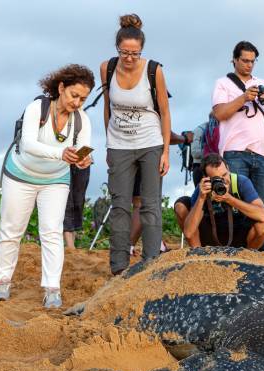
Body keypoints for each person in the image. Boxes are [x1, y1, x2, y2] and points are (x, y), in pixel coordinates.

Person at [0, 64, 94, 308]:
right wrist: (62, 153)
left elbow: (81, 151)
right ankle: (2, 283)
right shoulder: (37, 108)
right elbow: (28, 144)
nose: (77, 102)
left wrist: (82, 160)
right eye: (74, 95)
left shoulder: (82, 120)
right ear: (61, 88)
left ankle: (52, 289)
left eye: (83, 98)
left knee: (51, 232)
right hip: (20, 174)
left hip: (55, 180)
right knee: (11, 231)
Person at [101, 14, 171, 275]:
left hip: (150, 142)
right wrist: (108, 143)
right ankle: (118, 267)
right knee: (119, 204)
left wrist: (165, 151)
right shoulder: (107, 68)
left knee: (151, 204)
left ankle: (150, 264)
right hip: (119, 143)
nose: (129, 58)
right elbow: (107, 107)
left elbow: (164, 111)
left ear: (141, 50)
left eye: (135, 53)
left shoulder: (154, 70)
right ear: (117, 48)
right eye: (124, 53)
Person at [211, 41, 264, 210]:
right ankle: (236, 237)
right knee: (234, 205)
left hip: (262, 154)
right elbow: (219, 114)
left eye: (252, 61)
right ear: (234, 60)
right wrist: (243, 98)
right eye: (245, 60)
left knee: (262, 207)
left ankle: (262, 237)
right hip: (233, 152)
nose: (249, 65)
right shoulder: (223, 83)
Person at [180, 154, 264, 249]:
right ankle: (198, 254)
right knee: (180, 205)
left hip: (238, 233)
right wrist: (201, 198)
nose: (223, 181)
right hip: (211, 234)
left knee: (262, 224)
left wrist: (229, 199)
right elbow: (189, 233)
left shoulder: (241, 182)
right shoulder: (203, 189)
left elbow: (262, 215)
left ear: (228, 168)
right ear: (206, 178)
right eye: (216, 179)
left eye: (224, 175)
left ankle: (247, 257)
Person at [129, 129, 196, 255]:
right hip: (147, 154)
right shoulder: (154, 110)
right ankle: (129, 246)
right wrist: (185, 139)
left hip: (125, 151)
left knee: (137, 201)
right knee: (143, 202)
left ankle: (155, 243)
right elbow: (164, 133)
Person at [63, 166, 90, 248]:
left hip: (82, 157)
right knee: (67, 200)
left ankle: (72, 244)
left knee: (79, 201)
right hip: (61, 159)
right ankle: (70, 246)